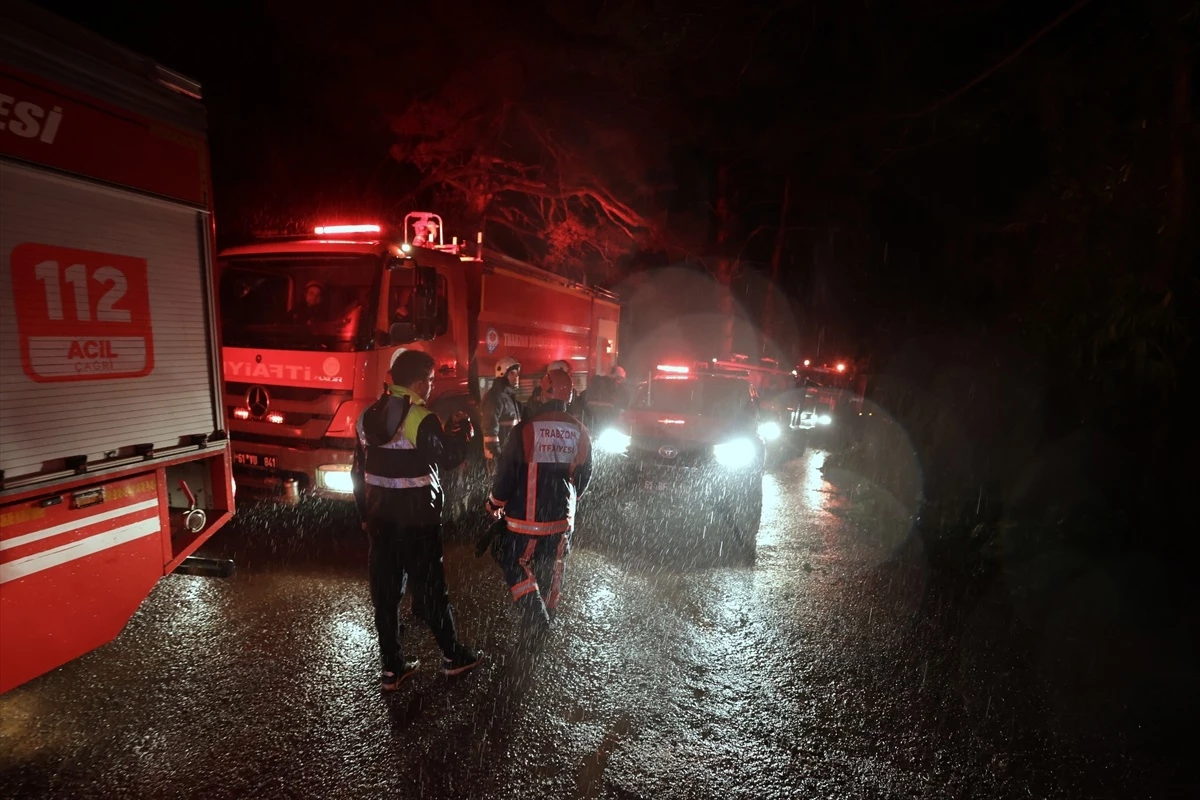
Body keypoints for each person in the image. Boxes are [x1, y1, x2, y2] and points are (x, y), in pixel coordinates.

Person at [352, 349, 483, 690]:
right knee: (432, 589)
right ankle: (454, 656)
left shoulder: (367, 416)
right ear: (419, 381)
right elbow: (449, 456)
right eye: (430, 380)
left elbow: (358, 472)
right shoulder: (419, 417)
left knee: (386, 593)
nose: (431, 386)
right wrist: (464, 431)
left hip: (381, 520)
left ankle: (393, 668)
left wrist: (364, 515)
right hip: (418, 523)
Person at [485, 369, 592, 648]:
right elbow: (584, 476)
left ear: (543, 393)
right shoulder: (580, 431)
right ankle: (545, 616)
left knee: (512, 560)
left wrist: (495, 503)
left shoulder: (527, 428)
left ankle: (534, 615)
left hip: (524, 521)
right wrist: (568, 502)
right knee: (551, 566)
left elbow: (507, 473)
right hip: (561, 522)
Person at [481, 356, 522, 468]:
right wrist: (497, 456)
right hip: (500, 456)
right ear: (503, 375)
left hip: (510, 454)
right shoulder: (495, 397)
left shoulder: (508, 397)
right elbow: (490, 429)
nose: (517, 376)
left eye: (517, 373)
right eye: (513, 373)